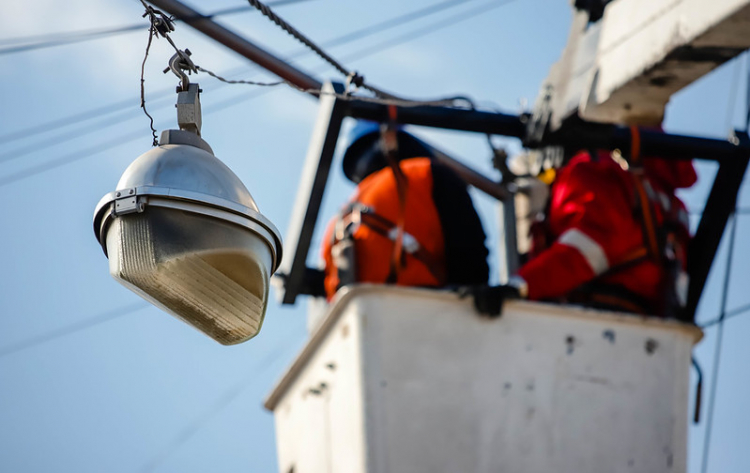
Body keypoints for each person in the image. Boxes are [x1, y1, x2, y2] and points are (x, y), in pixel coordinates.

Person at [471, 134, 697, 318]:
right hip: (651, 321)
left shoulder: (589, 170)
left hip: (600, 317)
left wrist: (520, 286)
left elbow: (588, 248)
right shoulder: (661, 195)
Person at [321, 122, 490, 300]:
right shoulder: (427, 173)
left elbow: (329, 293)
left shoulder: (337, 223)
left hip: (363, 321)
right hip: (432, 309)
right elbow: (469, 246)